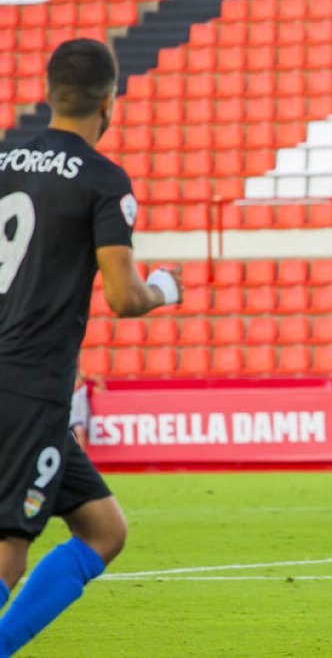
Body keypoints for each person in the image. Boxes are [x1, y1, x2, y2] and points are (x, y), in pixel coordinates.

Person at [0, 39, 185, 656]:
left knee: (103, 528)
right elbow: (123, 296)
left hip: (28, 392)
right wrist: (163, 288)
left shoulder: (3, 156)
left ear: (48, 92)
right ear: (110, 102)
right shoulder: (103, 180)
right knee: (9, 545)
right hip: (28, 385)